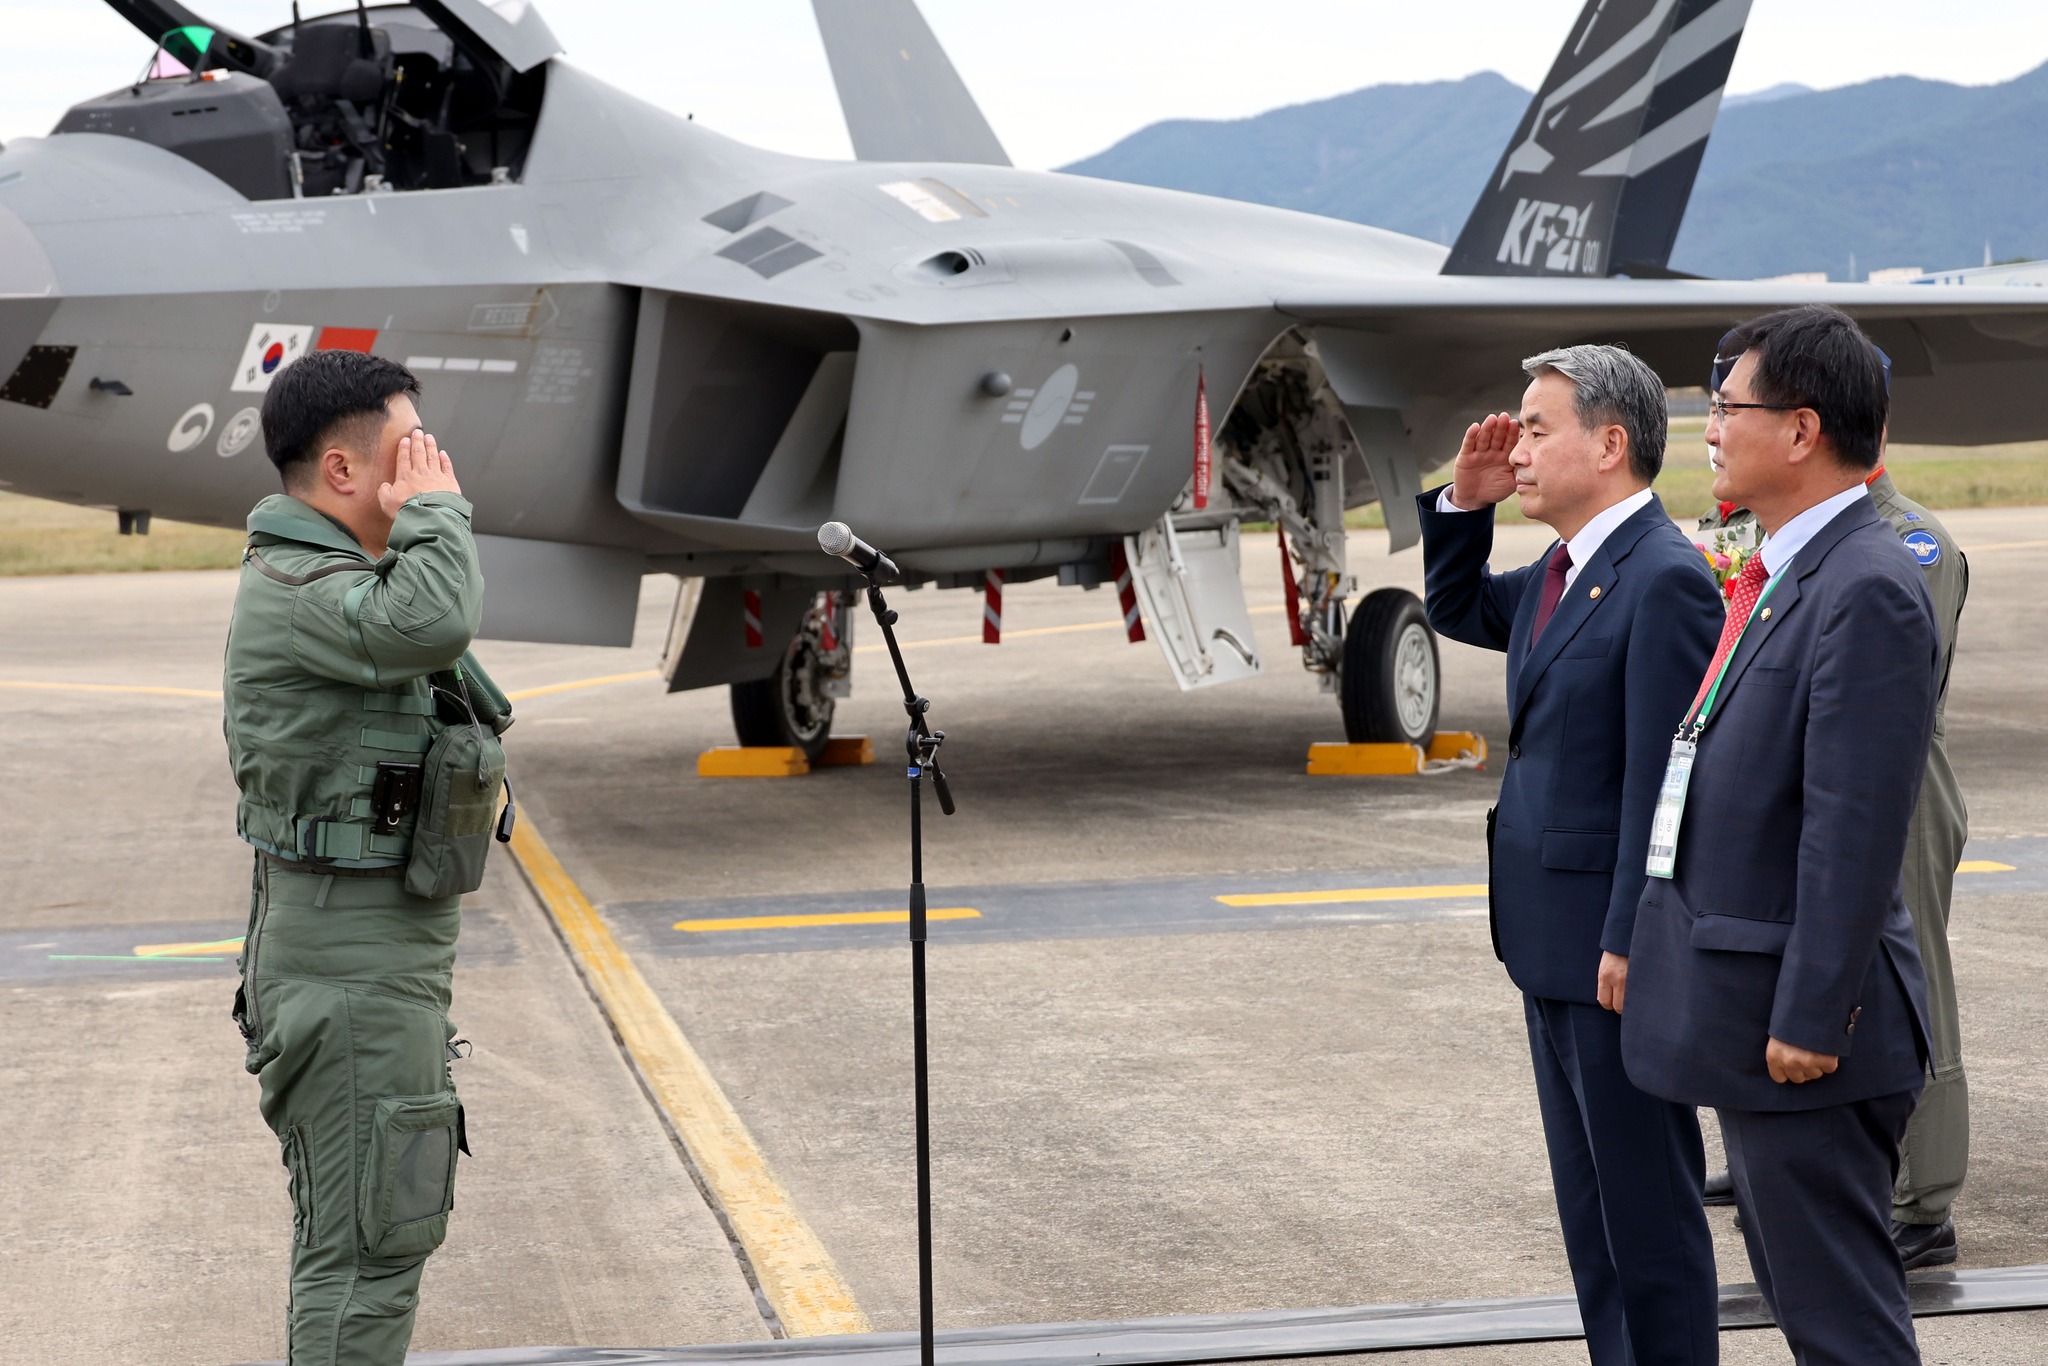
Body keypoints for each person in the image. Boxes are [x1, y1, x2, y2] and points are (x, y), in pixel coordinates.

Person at [1623, 304, 1937, 1366]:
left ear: (1799, 429)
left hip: (1810, 1044)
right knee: (1813, 1318)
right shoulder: (1785, 573)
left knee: (1843, 1331)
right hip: (1753, 1020)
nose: (1706, 427)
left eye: (1723, 407)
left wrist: (1809, 1016)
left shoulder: (1864, 586)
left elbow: (1852, 829)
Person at [1417, 345, 1725, 1365]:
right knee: (1592, 1219)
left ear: (1609, 442)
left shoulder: (1661, 579)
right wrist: (1460, 506)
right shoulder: (1563, 573)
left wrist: (1632, 940)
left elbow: (1659, 785)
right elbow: (1459, 608)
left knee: (1644, 1213)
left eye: (1536, 426)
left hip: (1607, 956)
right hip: (1546, 945)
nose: (1517, 446)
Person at [226, 349, 510, 1365]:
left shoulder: (338, 578)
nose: (430, 471)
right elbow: (437, 618)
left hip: (369, 957)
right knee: (365, 1259)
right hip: (349, 971)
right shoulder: (301, 584)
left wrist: (418, 524)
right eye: (408, 452)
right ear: (342, 473)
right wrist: (438, 514)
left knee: (366, 1241)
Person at [1695, 432, 1971, 1269]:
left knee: (1906, 968)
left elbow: (1880, 697)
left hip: (1897, 785)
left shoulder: (1906, 544)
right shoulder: (1775, 536)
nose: (1715, 427)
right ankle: (1786, 1143)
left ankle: (1922, 1196)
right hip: (1809, 775)